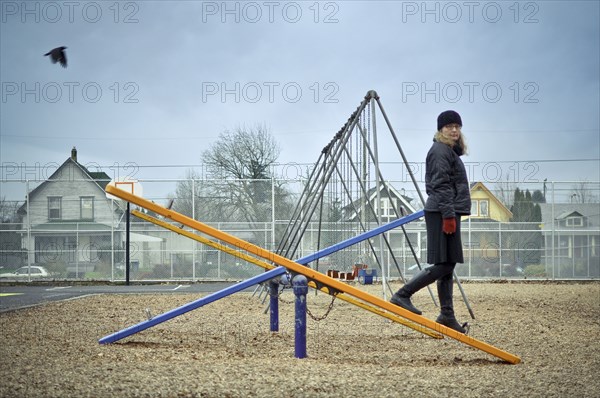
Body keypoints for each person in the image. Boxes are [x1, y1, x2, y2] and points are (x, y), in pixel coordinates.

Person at [390, 110, 471, 333]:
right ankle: (402, 295)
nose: (454, 130)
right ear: (441, 130)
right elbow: (440, 185)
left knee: (448, 264)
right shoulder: (439, 151)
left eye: (457, 126)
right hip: (442, 212)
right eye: (449, 126)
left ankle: (447, 315)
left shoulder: (449, 152)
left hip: (447, 211)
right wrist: (447, 216)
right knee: (444, 263)